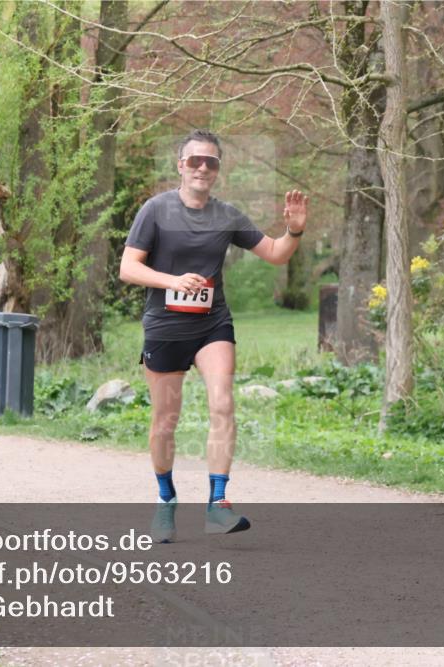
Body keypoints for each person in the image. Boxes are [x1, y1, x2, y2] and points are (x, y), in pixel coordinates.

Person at [119, 129, 308, 542]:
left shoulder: (227, 215)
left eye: (211, 162)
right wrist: (172, 280)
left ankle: (217, 505)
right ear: (180, 166)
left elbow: (275, 254)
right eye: (195, 160)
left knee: (223, 403)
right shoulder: (155, 210)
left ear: (218, 169)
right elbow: (128, 268)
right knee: (165, 420)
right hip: (165, 327)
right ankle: (166, 500)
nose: (202, 167)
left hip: (212, 325)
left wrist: (293, 232)